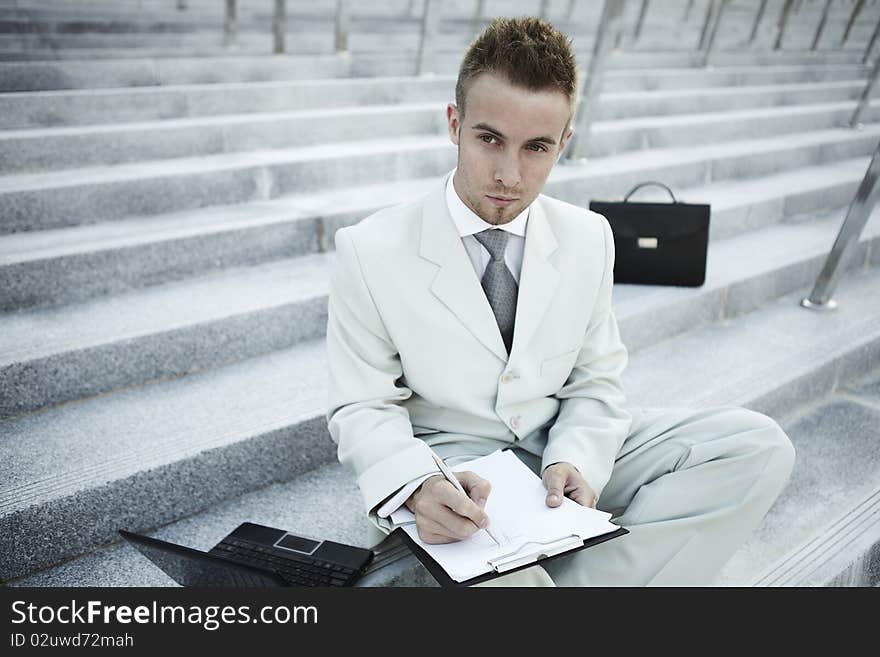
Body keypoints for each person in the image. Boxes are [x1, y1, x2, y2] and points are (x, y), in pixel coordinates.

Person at [325, 16, 795, 586]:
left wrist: (578, 458)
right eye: (489, 138)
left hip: (555, 447)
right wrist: (418, 485)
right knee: (508, 577)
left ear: (564, 143)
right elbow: (360, 405)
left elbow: (596, 380)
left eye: (537, 148)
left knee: (755, 445)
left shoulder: (589, 235)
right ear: (455, 123)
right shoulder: (369, 249)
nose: (509, 174)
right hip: (456, 474)